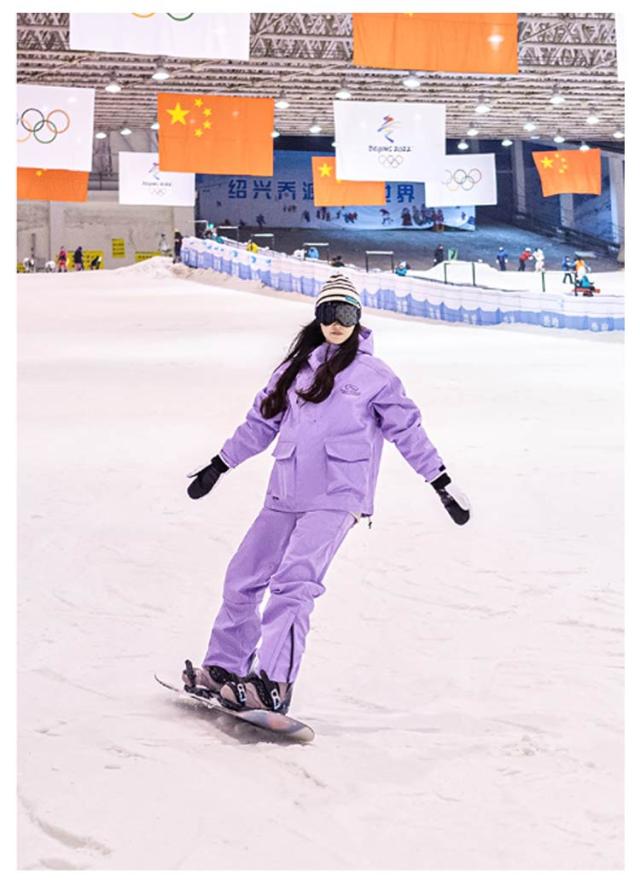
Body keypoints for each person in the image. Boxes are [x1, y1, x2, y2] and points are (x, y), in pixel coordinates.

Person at [182, 274, 471, 713]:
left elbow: (408, 431)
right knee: (243, 575)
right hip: (285, 491)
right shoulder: (294, 370)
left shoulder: (375, 376)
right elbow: (259, 424)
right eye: (329, 313)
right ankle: (225, 667)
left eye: (346, 314)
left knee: (293, 583)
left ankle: (274, 683)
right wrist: (219, 465)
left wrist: (441, 482)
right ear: (317, 316)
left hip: (338, 494)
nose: (337, 323)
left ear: (358, 319)